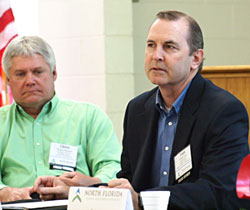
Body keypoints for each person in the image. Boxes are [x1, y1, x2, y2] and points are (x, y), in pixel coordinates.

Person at [32, 10, 250, 209]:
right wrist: (86, 188)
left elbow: (219, 192)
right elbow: (130, 184)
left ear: (196, 58)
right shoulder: (137, 109)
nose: (157, 55)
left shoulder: (224, 111)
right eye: (151, 45)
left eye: (169, 47)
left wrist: (143, 201)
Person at [0, 36, 121, 202]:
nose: (30, 81)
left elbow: (112, 167)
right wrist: (3, 192)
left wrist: (91, 184)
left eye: (38, 72)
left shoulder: (89, 117)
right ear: (7, 80)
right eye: (20, 74)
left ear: (54, 73)